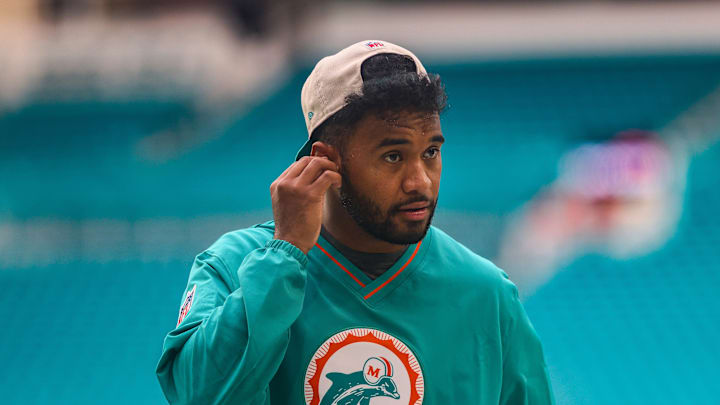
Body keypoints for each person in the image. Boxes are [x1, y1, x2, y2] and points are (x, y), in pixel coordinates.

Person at [156, 40, 555, 405]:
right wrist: (285, 255)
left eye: (430, 152)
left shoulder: (486, 294)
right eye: (393, 157)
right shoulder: (232, 266)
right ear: (325, 160)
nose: (420, 181)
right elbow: (198, 396)